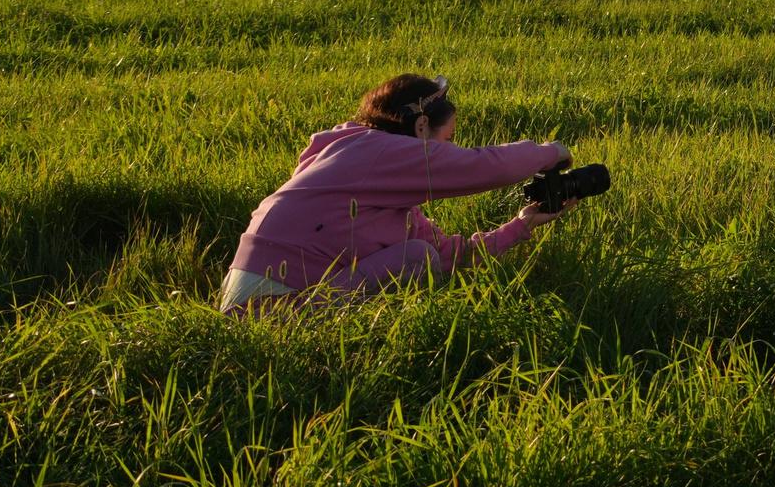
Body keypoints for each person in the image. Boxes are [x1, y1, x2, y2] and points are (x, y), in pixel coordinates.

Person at [219, 74, 581, 312]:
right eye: (448, 139)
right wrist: (551, 152)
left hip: (246, 302)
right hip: (277, 310)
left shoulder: (353, 157)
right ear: (421, 125)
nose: (449, 150)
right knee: (417, 258)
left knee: (424, 255)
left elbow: (450, 257)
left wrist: (522, 225)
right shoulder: (382, 151)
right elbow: (484, 167)